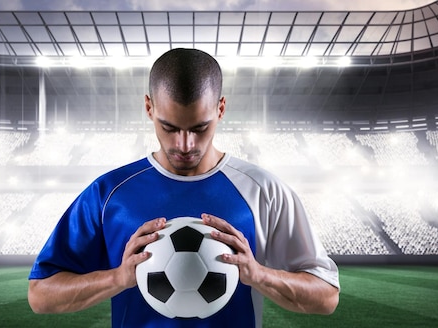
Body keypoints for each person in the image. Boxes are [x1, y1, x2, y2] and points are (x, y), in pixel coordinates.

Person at [28, 48, 340, 327]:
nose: (185, 144)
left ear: (220, 109)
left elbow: (326, 296)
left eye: (199, 128)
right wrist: (117, 278)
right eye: (169, 127)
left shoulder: (263, 190)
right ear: (149, 108)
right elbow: (41, 294)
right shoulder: (109, 192)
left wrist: (259, 275)